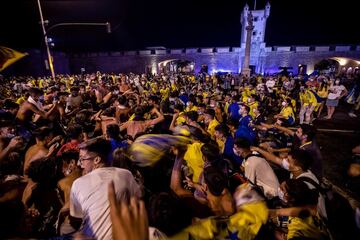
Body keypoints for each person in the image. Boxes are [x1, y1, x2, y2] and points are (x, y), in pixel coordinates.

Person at [69, 137, 142, 240]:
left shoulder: (78, 183)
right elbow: (138, 202)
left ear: (97, 160)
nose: (79, 164)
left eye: (82, 159)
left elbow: (75, 220)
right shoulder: (126, 174)